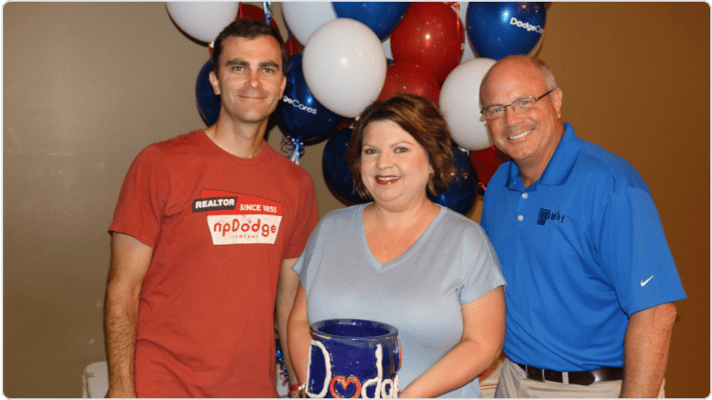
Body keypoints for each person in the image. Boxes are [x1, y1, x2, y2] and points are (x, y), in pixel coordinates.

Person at [103, 19, 319, 397]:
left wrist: (302, 383)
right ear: (216, 81)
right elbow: (124, 289)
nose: (254, 82)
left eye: (267, 69)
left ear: (282, 85)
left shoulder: (297, 185)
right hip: (162, 386)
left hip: (252, 389)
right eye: (238, 67)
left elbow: (290, 304)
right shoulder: (160, 164)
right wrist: (121, 389)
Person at [478, 55, 686, 398]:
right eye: (495, 109)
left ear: (556, 100)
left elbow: (656, 313)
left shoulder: (612, 185)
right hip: (513, 382)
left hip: (596, 389)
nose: (511, 120)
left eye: (524, 102)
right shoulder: (500, 183)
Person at [287, 94, 506, 398]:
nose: (383, 163)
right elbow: (299, 321)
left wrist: (406, 397)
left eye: (400, 149)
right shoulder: (329, 230)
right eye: (371, 151)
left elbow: (484, 344)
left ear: (432, 160)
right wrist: (316, 387)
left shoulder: (465, 240)